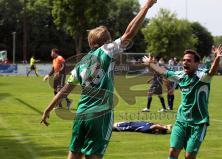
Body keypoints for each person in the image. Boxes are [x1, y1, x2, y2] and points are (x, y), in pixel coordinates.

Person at [41, 1, 157, 159]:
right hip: (100, 115)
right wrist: (146, 7)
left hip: (81, 115)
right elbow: (129, 33)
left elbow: (64, 91)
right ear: (106, 42)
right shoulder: (106, 50)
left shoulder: (80, 64)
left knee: (74, 155)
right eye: (110, 39)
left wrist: (48, 109)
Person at [142, 45, 222, 159]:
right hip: (181, 121)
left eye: (189, 61)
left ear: (197, 63)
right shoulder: (180, 75)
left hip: (198, 123)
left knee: (189, 156)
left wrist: (217, 58)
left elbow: (212, 71)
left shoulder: (202, 76)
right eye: (184, 60)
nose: (185, 63)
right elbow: (164, 72)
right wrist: (151, 64)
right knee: (172, 152)